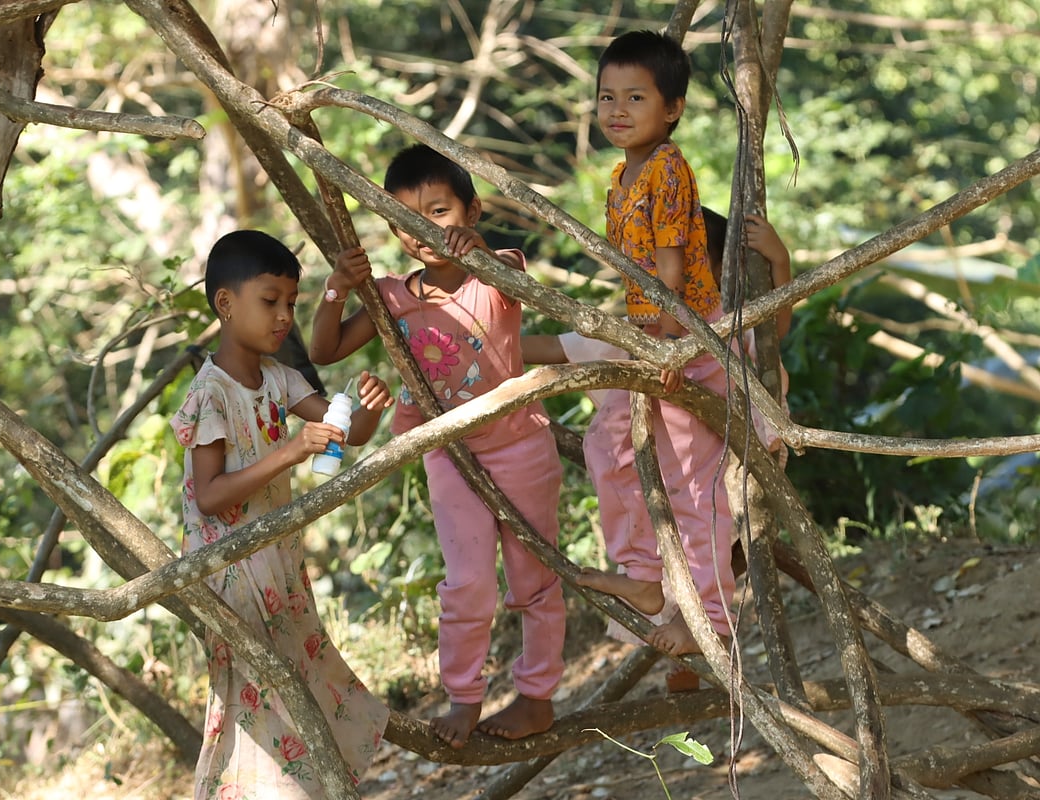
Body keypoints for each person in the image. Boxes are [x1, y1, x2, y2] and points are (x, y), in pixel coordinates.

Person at [310, 144, 566, 749]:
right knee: (468, 582)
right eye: (403, 220)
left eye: (440, 212)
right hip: (447, 454)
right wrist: (336, 290)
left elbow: (509, 272)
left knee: (535, 577)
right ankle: (465, 697)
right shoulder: (391, 295)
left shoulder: (498, 272)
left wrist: (479, 253)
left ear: (472, 211)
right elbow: (324, 352)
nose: (422, 230)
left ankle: (536, 698)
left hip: (519, 446)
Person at [522, 209, 792, 682]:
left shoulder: (723, 326)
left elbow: (775, 330)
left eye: (691, 268)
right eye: (656, 269)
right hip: (660, 482)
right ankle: (650, 587)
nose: (673, 282)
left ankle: (709, 623)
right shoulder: (640, 332)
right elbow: (552, 348)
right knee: (606, 451)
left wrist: (779, 259)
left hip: (726, 462)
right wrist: (476, 347)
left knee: (700, 515)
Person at [171, 229, 395, 799]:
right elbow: (211, 496)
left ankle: (305, 787)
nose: (282, 317)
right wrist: (292, 450)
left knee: (295, 675)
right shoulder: (210, 394)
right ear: (225, 303)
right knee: (258, 689)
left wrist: (364, 411)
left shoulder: (280, 379)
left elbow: (341, 435)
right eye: (269, 301)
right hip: (234, 570)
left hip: (279, 562)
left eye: (291, 304)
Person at [558, 29, 738, 664]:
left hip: (683, 334)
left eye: (636, 98)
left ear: (673, 109)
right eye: (607, 96)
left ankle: (710, 619)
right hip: (649, 335)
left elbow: (667, 268)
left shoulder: (666, 169)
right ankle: (644, 576)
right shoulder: (621, 172)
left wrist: (663, 347)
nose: (617, 111)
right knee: (610, 448)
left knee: (693, 487)